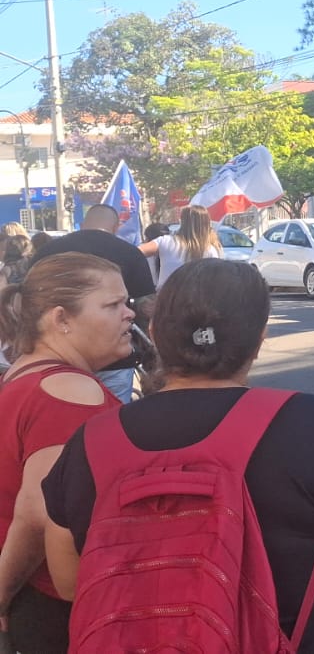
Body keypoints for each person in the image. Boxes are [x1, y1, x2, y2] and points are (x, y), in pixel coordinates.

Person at [40, 259, 314, 653]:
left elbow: (70, 579)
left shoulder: (91, 440)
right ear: (259, 339)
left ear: (154, 333)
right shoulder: (307, 421)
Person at [0, 253, 128, 651]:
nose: (131, 314)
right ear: (61, 319)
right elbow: (41, 511)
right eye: (113, 305)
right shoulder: (71, 392)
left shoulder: (25, 369)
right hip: (55, 604)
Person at [33, 203, 158, 402]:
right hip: (115, 360)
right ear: (116, 227)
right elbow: (146, 309)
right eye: (114, 304)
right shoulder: (129, 253)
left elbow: (31, 303)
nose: (128, 312)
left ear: (83, 224)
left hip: (56, 358)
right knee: (112, 421)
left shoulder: (46, 252)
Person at [137, 204, 220, 289]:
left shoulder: (166, 241)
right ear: (206, 224)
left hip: (167, 297)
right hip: (197, 299)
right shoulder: (210, 251)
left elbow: (135, 252)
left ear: (182, 221)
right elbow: (215, 282)